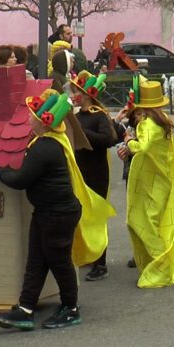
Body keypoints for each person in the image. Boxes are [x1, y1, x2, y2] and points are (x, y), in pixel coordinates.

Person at [0, 89, 115, 330]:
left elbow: (20, 180)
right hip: (47, 212)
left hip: (57, 215)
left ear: (41, 121)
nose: (27, 118)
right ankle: (25, 308)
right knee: (36, 261)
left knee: (59, 261)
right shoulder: (47, 142)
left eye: (31, 115)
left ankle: (70, 308)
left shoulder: (44, 147)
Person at [118, 81, 174, 287]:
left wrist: (128, 141)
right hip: (160, 178)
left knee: (141, 221)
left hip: (149, 180)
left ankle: (161, 262)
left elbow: (142, 147)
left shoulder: (148, 124)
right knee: (148, 220)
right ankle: (157, 261)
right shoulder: (163, 122)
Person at [69, 71, 118, 281]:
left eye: (76, 92)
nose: (73, 96)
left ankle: (101, 263)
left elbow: (108, 139)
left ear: (86, 95)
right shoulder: (77, 117)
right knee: (82, 215)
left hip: (97, 171)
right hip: (80, 170)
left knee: (97, 215)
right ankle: (89, 254)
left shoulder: (99, 115)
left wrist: (82, 132)